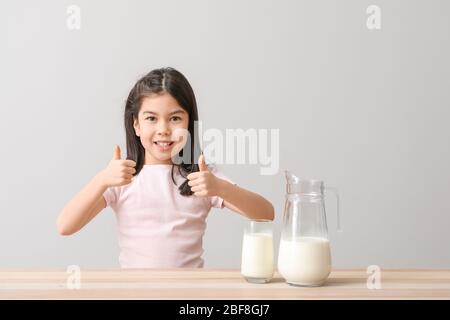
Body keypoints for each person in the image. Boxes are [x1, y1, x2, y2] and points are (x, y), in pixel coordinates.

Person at [56, 67, 274, 268]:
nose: (163, 129)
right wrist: (102, 179)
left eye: (175, 118)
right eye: (151, 118)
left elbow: (266, 213)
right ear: (136, 124)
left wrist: (220, 188)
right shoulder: (122, 179)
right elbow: (65, 226)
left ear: (189, 123)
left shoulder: (201, 179)